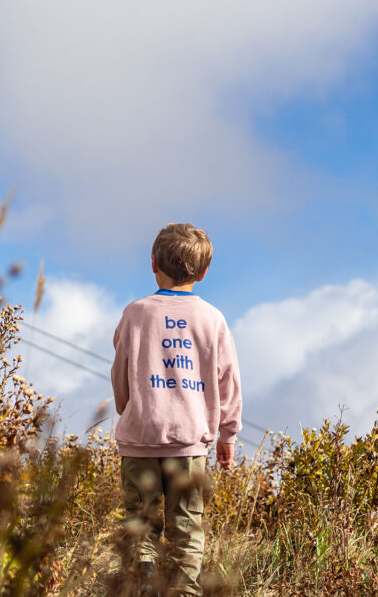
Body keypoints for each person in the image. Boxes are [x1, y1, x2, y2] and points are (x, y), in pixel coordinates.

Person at [110, 223, 243, 596]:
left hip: (140, 438)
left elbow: (120, 371)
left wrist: (127, 409)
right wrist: (228, 435)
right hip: (188, 442)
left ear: (153, 263)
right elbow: (228, 381)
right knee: (186, 527)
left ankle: (143, 582)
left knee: (140, 522)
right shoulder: (212, 319)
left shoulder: (135, 313)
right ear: (203, 273)